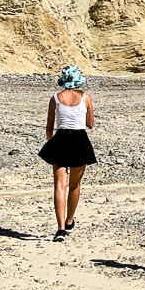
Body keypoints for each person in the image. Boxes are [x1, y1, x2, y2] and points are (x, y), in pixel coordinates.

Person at [38, 65, 97, 242]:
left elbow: (49, 127)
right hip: (79, 140)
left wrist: (53, 143)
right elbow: (90, 124)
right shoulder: (85, 97)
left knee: (59, 186)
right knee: (74, 185)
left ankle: (60, 229)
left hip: (61, 139)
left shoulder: (55, 98)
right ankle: (69, 220)